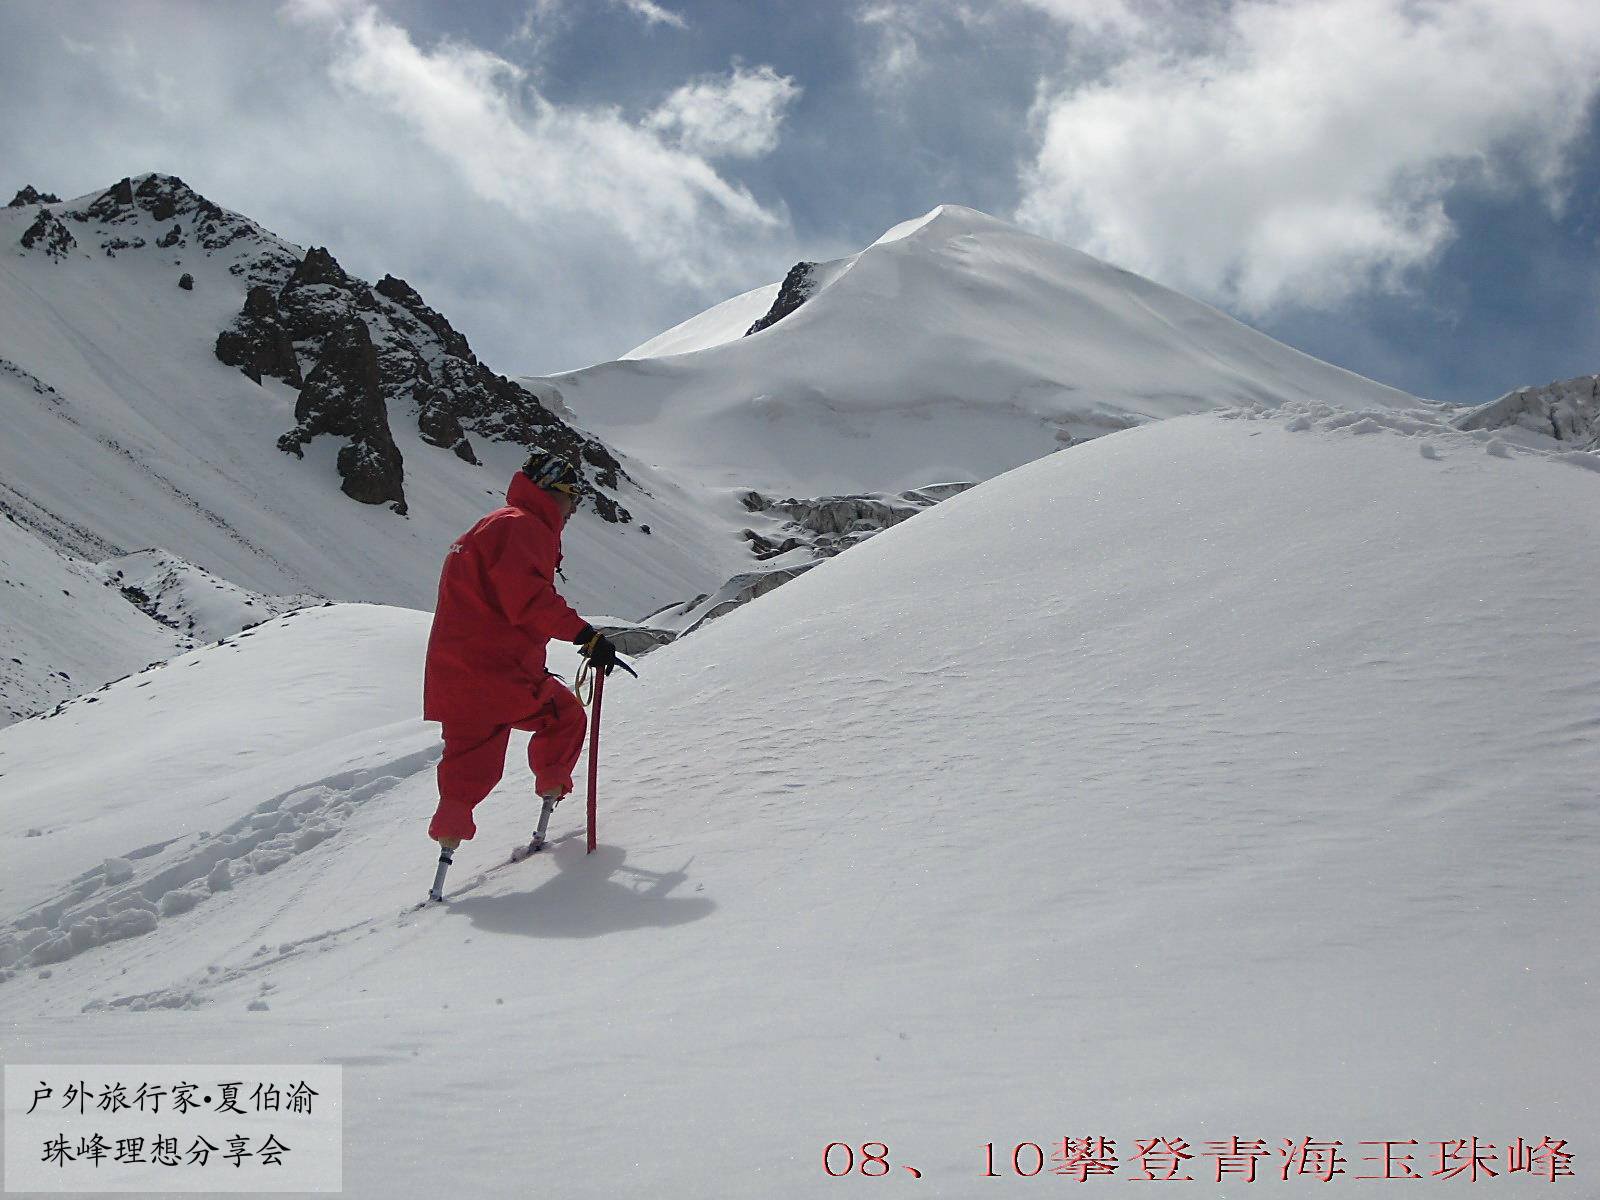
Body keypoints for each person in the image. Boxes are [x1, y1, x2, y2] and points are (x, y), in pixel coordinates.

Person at [422, 449, 623, 849]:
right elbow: (529, 601)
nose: (572, 509)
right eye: (572, 497)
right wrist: (587, 636)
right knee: (563, 716)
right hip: (502, 674)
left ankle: (446, 853)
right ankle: (551, 791)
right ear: (553, 491)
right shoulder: (524, 527)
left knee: (466, 769)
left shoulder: (491, 525)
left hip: (453, 677)